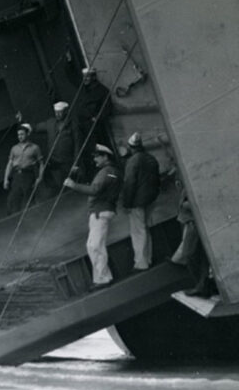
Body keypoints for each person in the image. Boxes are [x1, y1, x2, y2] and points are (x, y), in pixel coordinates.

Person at [64, 143, 122, 291]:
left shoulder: (108, 172)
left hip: (100, 212)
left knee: (95, 246)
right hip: (98, 212)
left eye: (97, 157)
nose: (95, 160)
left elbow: (95, 189)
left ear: (105, 157)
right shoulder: (108, 171)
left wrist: (73, 185)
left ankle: (103, 279)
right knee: (93, 246)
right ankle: (101, 278)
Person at [120, 132, 160, 271]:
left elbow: (129, 183)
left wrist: (127, 204)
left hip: (137, 201)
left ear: (131, 147)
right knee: (145, 228)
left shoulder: (133, 161)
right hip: (151, 199)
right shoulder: (151, 158)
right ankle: (148, 258)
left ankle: (141, 263)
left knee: (138, 231)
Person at [171, 184, 217, 297]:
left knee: (189, 254)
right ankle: (204, 285)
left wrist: (184, 204)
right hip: (192, 221)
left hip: (193, 222)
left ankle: (201, 285)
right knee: (201, 256)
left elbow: (196, 202)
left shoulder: (190, 183)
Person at [76, 67, 113, 181]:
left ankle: (106, 177)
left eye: (87, 77)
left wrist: (97, 118)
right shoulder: (84, 89)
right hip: (83, 126)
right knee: (87, 152)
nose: (85, 79)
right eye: (84, 77)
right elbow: (70, 76)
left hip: (95, 128)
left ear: (94, 77)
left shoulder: (102, 91)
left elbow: (108, 108)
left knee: (98, 151)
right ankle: (93, 178)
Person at [38, 101, 80, 198]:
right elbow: (36, 127)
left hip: (67, 161)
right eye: (56, 112)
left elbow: (77, 144)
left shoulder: (72, 124)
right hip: (54, 161)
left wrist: (76, 163)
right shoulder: (50, 123)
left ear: (65, 111)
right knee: (58, 185)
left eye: (60, 112)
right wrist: (23, 122)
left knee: (71, 185)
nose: (58, 114)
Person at [2, 123, 44, 214]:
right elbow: (9, 164)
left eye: (22, 134)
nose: (20, 136)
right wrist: (6, 179)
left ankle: (33, 221)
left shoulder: (35, 148)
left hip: (28, 175)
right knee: (12, 200)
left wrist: (40, 177)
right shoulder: (14, 148)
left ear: (27, 134)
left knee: (28, 200)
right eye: (18, 135)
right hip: (17, 176)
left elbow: (41, 163)